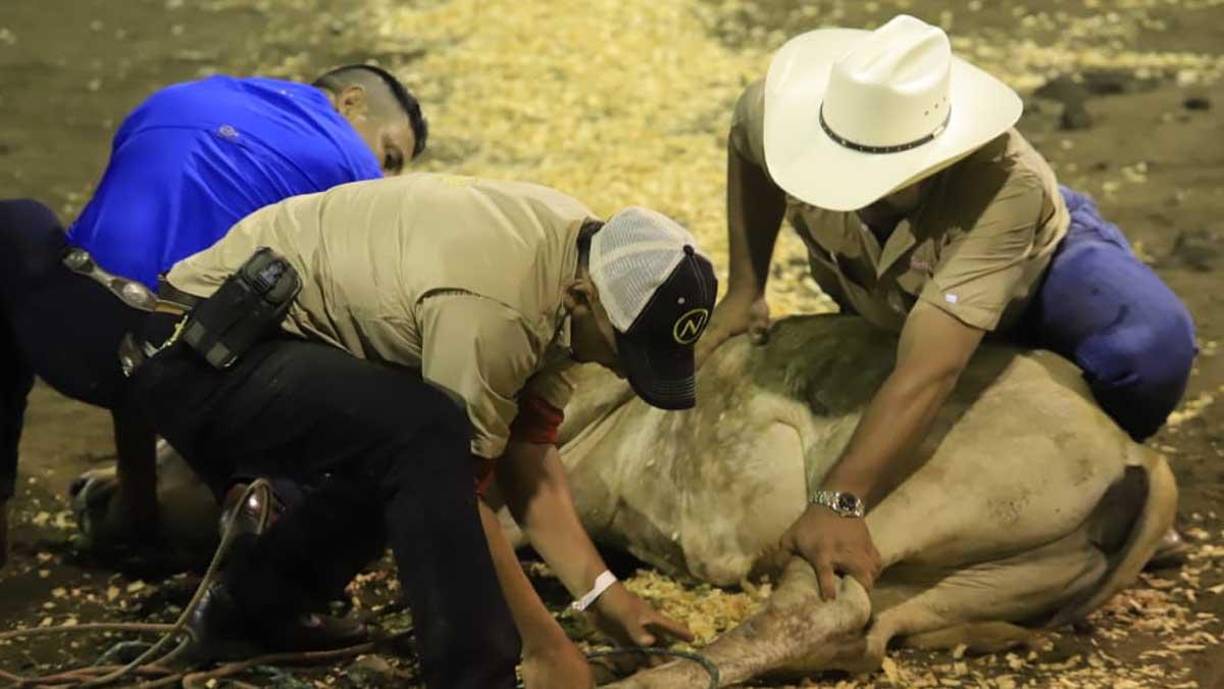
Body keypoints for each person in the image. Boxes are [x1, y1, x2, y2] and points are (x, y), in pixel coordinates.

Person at [130, 173, 716, 688]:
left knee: (403, 438)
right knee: (424, 439)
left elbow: (528, 453)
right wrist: (545, 646)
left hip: (264, 344)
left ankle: (253, 613)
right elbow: (461, 492)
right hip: (203, 352)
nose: (619, 367)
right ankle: (476, 677)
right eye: (624, 350)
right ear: (583, 299)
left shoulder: (576, 260)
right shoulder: (500, 307)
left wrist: (604, 597)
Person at [699, 15, 1196, 600]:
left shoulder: (1007, 184)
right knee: (887, 375)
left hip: (1033, 277)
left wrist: (837, 502)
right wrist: (745, 287)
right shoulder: (778, 114)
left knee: (1147, 343)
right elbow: (746, 144)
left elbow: (931, 367)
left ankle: (1112, 487)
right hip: (878, 281)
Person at [0, 64, 428, 568]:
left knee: (19, 223)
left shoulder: (176, 97)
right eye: (391, 154)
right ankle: (265, 564)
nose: (386, 174)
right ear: (351, 103)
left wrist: (141, 506)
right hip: (189, 373)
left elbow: (137, 289)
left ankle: (68, 511)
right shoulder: (353, 169)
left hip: (75, 327)